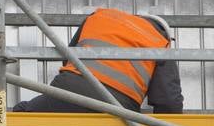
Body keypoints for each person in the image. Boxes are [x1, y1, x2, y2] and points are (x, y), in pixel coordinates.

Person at [13, 7, 183, 114]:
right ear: (164, 32)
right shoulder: (160, 41)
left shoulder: (99, 16)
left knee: (23, 112)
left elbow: (69, 57)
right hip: (119, 106)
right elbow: (168, 101)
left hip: (71, 89)